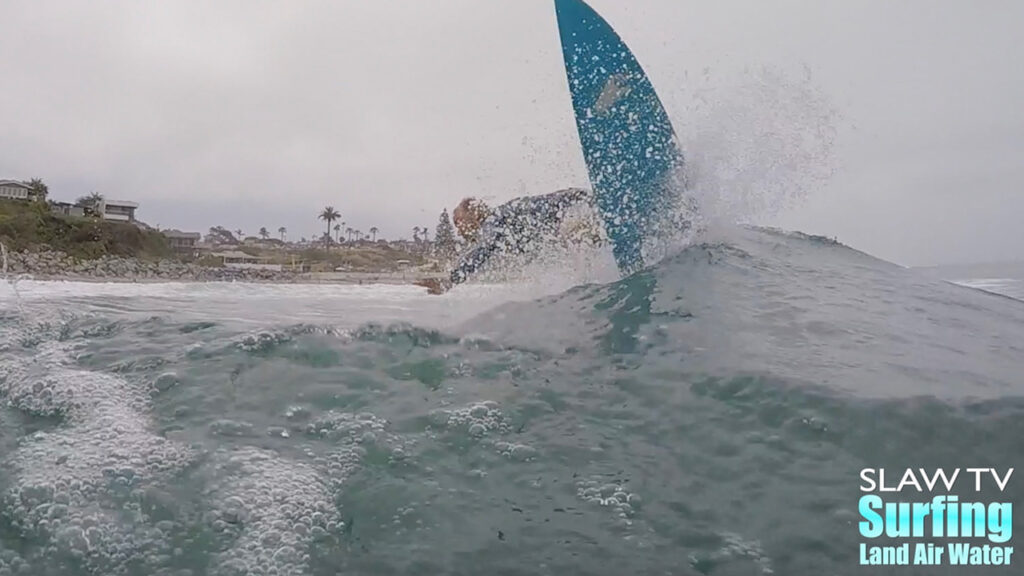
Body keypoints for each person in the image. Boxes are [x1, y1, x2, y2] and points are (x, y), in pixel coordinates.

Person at [416, 188, 601, 294]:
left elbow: (483, 250)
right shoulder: (503, 220)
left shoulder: (494, 221)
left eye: (459, 222)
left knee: (581, 262)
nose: (458, 230)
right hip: (579, 202)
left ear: (473, 215)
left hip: (574, 208)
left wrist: (450, 281)